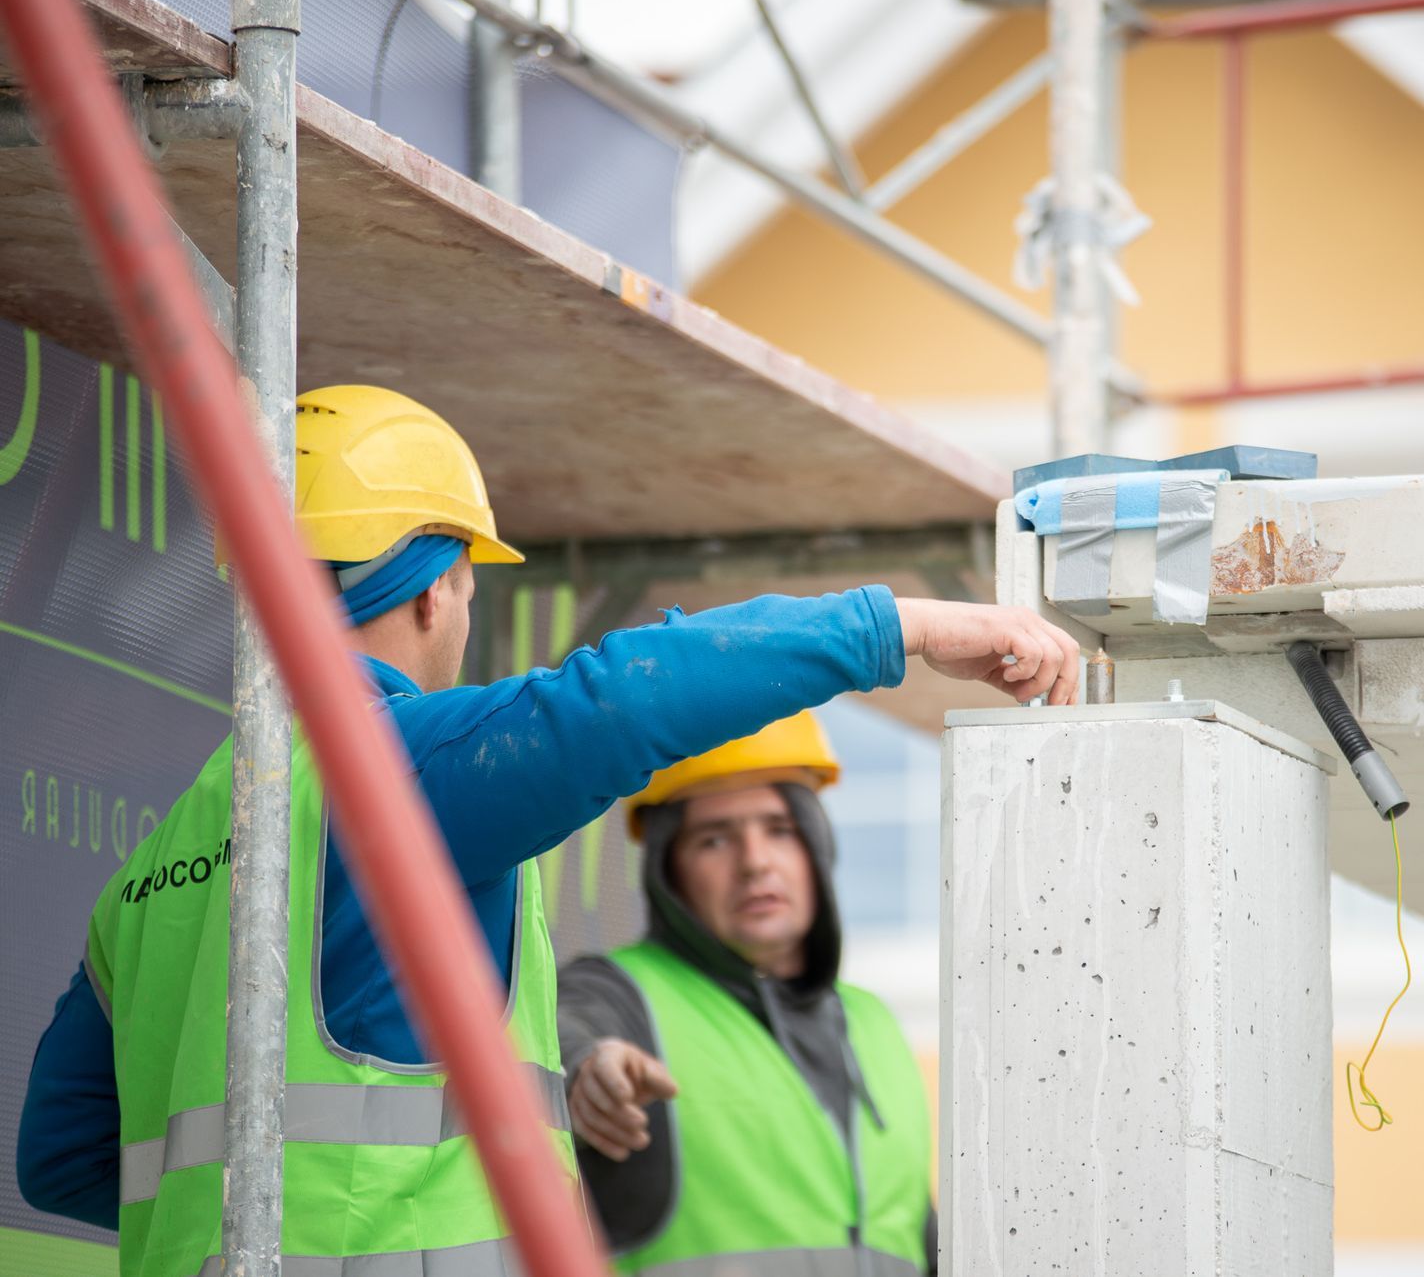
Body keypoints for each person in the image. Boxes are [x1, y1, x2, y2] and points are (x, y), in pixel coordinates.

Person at [16, 385, 1079, 1276]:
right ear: (437, 589)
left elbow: (58, 1158)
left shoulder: (156, 865)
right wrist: (905, 627)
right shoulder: (390, 775)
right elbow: (621, 699)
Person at [557, 712, 933, 1275]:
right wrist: (588, 1070)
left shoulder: (873, 1021)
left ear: (816, 846)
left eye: (779, 829)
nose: (755, 862)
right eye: (714, 839)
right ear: (670, 872)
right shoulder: (619, 995)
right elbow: (560, 1031)